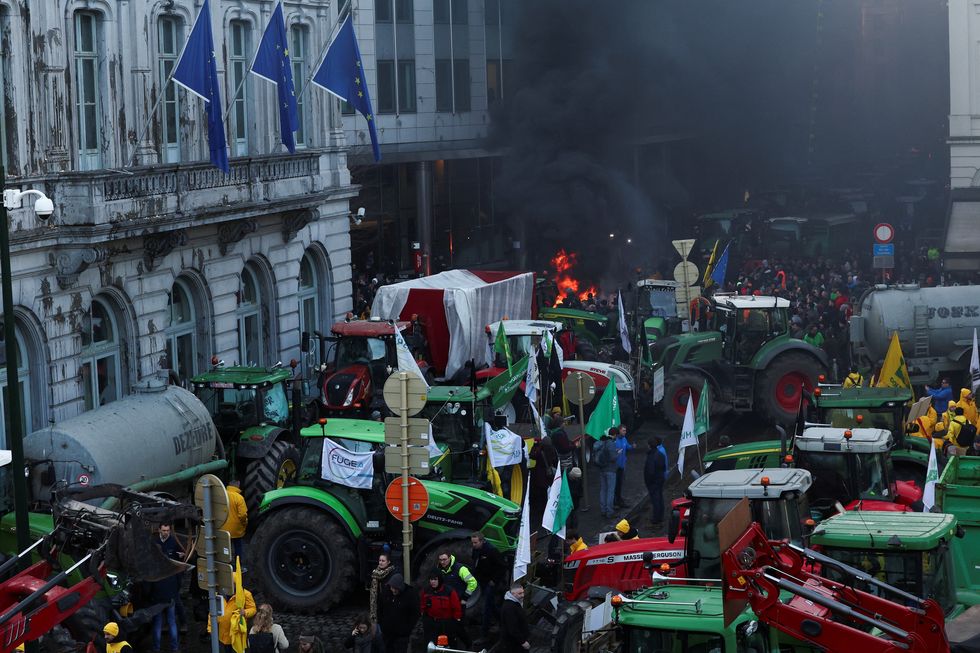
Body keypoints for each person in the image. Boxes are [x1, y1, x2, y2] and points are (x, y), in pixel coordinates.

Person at [150, 523, 184, 652]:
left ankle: (156, 649)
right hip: (169, 595)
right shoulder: (170, 570)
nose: (166, 533)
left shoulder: (156, 570)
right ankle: (174, 648)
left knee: (158, 623)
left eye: (168, 530)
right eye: (164, 530)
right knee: (171, 622)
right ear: (159, 530)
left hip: (159, 597)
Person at [470, 531, 504, 640]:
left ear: (482, 541)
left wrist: (494, 580)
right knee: (491, 605)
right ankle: (503, 621)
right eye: (472, 543)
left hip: (490, 582)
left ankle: (484, 635)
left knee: (486, 607)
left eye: (475, 543)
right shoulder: (476, 549)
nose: (473, 545)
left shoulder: (491, 551)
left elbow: (502, 566)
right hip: (482, 581)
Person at [209, 584, 257, 653]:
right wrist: (210, 628)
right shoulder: (218, 594)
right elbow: (212, 612)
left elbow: (253, 609)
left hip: (237, 632)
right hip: (223, 634)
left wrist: (245, 612)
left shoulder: (245, 594)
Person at [378, 574, 419, 653]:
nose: (393, 590)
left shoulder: (410, 594)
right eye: (392, 588)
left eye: (395, 588)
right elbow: (380, 609)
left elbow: (415, 614)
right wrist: (382, 624)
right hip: (387, 633)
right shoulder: (386, 592)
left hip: (402, 635)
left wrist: (407, 629)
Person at [420, 573, 463, 646]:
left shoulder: (449, 591)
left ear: (439, 580)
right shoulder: (426, 590)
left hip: (446, 624)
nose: (432, 582)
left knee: (448, 645)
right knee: (431, 645)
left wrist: (455, 621)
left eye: (435, 579)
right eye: (431, 579)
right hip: (431, 623)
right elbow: (423, 606)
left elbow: (456, 608)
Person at [529, 433, 559, 527]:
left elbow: (531, 455)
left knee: (541, 495)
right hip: (549, 475)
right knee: (549, 493)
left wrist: (535, 445)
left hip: (540, 476)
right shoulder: (553, 450)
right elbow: (556, 461)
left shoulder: (540, 451)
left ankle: (542, 511)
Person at [220, 480, 248, 567]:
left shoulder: (222, 496)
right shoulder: (239, 498)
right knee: (238, 548)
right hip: (236, 530)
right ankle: (238, 567)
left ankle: (225, 567)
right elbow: (243, 515)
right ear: (238, 484)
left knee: (225, 548)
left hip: (223, 528)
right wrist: (244, 523)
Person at [643, 437, 669, 525]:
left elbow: (650, 471)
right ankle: (660, 516)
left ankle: (656, 518)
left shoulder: (651, 456)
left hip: (653, 482)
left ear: (649, 446)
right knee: (660, 498)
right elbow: (664, 467)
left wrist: (648, 482)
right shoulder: (660, 454)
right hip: (660, 479)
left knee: (655, 500)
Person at [499, 583, 530, 653]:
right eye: (519, 593)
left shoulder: (515, 602)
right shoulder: (509, 608)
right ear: (513, 594)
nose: (523, 595)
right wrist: (523, 642)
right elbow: (512, 628)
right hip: (514, 645)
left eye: (523, 592)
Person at [595, 428, 619, 518]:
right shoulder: (611, 444)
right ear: (615, 435)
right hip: (610, 470)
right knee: (610, 491)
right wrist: (618, 453)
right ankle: (610, 512)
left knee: (603, 490)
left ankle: (603, 510)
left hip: (602, 469)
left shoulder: (603, 442)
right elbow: (613, 458)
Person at [369, 552, 395, 623]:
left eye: (383, 561)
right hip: (378, 604)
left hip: (387, 605)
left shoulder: (392, 573)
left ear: (388, 562)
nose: (380, 563)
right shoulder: (376, 573)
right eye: (380, 560)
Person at [613, 425, 634, 508]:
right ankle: (615, 501)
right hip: (615, 467)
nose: (625, 432)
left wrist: (632, 446)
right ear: (619, 431)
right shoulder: (615, 441)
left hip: (622, 466)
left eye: (625, 430)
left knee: (620, 484)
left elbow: (627, 446)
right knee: (615, 484)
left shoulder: (624, 439)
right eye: (623, 430)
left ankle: (619, 499)